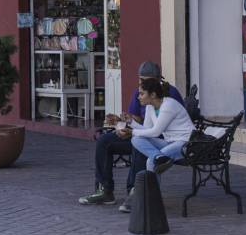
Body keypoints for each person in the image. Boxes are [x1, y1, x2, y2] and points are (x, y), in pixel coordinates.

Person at [79, 61, 186, 211]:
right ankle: (105, 190)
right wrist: (121, 124)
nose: (140, 86)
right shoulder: (141, 94)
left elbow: (156, 130)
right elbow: (137, 120)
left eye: (144, 81)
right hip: (144, 132)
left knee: (140, 143)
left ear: (156, 80)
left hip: (163, 138)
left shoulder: (170, 95)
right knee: (104, 141)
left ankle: (135, 191)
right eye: (140, 80)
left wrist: (132, 131)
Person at [130, 77, 196, 175]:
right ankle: (159, 157)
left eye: (142, 94)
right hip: (170, 142)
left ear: (153, 95)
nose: (138, 97)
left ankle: (152, 189)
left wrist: (131, 131)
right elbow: (148, 130)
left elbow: (156, 132)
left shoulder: (168, 105)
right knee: (136, 138)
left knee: (151, 162)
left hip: (185, 143)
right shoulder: (150, 106)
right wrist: (130, 123)